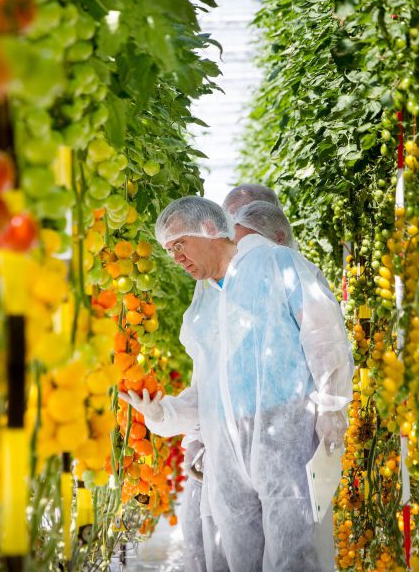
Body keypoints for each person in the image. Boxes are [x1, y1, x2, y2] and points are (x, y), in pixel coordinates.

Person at [120, 196, 353, 571]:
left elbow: (324, 335)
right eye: (168, 250)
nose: (176, 257)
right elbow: (209, 386)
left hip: (285, 438)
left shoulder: (277, 264)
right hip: (226, 451)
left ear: (211, 230)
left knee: (293, 555)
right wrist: (164, 413)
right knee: (237, 558)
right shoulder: (205, 300)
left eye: (179, 244)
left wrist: (331, 406)